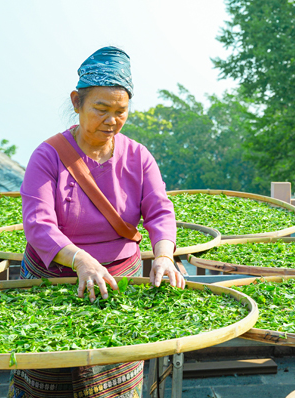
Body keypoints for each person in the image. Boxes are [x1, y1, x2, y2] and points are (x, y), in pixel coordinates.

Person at [10, 46, 184, 398]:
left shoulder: (137, 156)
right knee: (50, 383)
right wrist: (80, 260)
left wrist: (164, 256)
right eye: (101, 109)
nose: (112, 120)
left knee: (117, 383)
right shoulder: (48, 156)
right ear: (77, 102)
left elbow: (160, 212)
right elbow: (38, 225)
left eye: (121, 112)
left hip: (118, 286)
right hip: (54, 285)